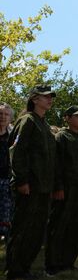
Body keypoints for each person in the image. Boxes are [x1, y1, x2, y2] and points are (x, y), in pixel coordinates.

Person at [5, 85, 58, 280]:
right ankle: (15, 269)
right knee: (23, 228)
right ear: (35, 99)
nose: (49, 99)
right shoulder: (27, 120)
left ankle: (24, 267)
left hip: (43, 187)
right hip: (29, 186)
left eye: (51, 97)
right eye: (45, 97)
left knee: (36, 230)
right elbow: (16, 152)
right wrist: (21, 180)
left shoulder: (43, 124)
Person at [45, 105, 78, 274]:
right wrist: (58, 187)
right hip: (65, 190)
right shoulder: (61, 137)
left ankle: (68, 262)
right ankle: (53, 265)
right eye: (77, 116)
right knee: (59, 226)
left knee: (76, 227)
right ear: (67, 118)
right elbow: (55, 165)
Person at [0, 102, 14, 241]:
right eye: (0, 114)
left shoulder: (13, 136)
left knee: (6, 212)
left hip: (7, 180)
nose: (3, 117)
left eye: (6, 114)